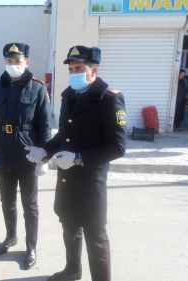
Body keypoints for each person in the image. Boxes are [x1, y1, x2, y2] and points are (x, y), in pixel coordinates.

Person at [25, 45, 126, 281]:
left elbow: (118, 147)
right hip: (66, 177)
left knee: (95, 237)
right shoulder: (69, 95)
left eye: (78, 68)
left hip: (90, 181)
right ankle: (73, 270)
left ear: (93, 70)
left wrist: (79, 159)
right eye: (71, 69)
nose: (73, 73)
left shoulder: (109, 99)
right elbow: (64, 136)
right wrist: (44, 150)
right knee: (69, 229)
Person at [0, 43, 52, 269]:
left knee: (30, 206)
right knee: (7, 202)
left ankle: (31, 246)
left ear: (27, 62)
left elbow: (44, 126)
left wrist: (44, 157)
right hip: (3, 155)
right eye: (9, 61)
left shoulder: (37, 88)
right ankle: (11, 237)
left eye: (17, 61)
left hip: (28, 156)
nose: (13, 65)